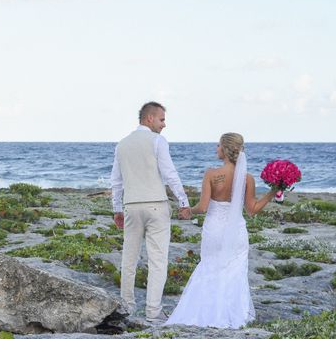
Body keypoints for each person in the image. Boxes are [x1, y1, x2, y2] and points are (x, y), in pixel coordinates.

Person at [165, 133, 276, 328]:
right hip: (236, 232)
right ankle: (233, 315)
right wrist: (273, 192)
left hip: (214, 229)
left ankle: (206, 313)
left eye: (218, 145)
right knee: (235, 271)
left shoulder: (211, 174)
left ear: (225, 150)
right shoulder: (247, 178)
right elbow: (252, 210)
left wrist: (189, 211)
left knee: (210, 267)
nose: (216, 148)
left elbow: (203, 207)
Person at [110, 101, 191, 323]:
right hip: (156, 205)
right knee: (157, 260)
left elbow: (116, 182)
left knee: (129, 259)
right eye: (162, 119)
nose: (164, 124)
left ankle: (126, 307)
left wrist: (117, 208)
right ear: (150, 119)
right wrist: (183, 201)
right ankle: (153, 312)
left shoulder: (122, 145)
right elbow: (170, 174)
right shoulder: (157, 141)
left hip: (132, 207)